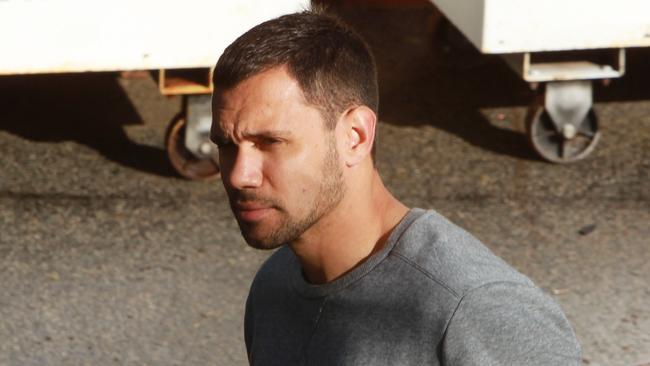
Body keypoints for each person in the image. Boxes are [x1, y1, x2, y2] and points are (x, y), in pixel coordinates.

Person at [210, 8, 581, 366]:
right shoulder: (273, 289)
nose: (240, 175)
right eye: (226, 145)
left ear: (355, 136)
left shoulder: (476, 309)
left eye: (270, 142)